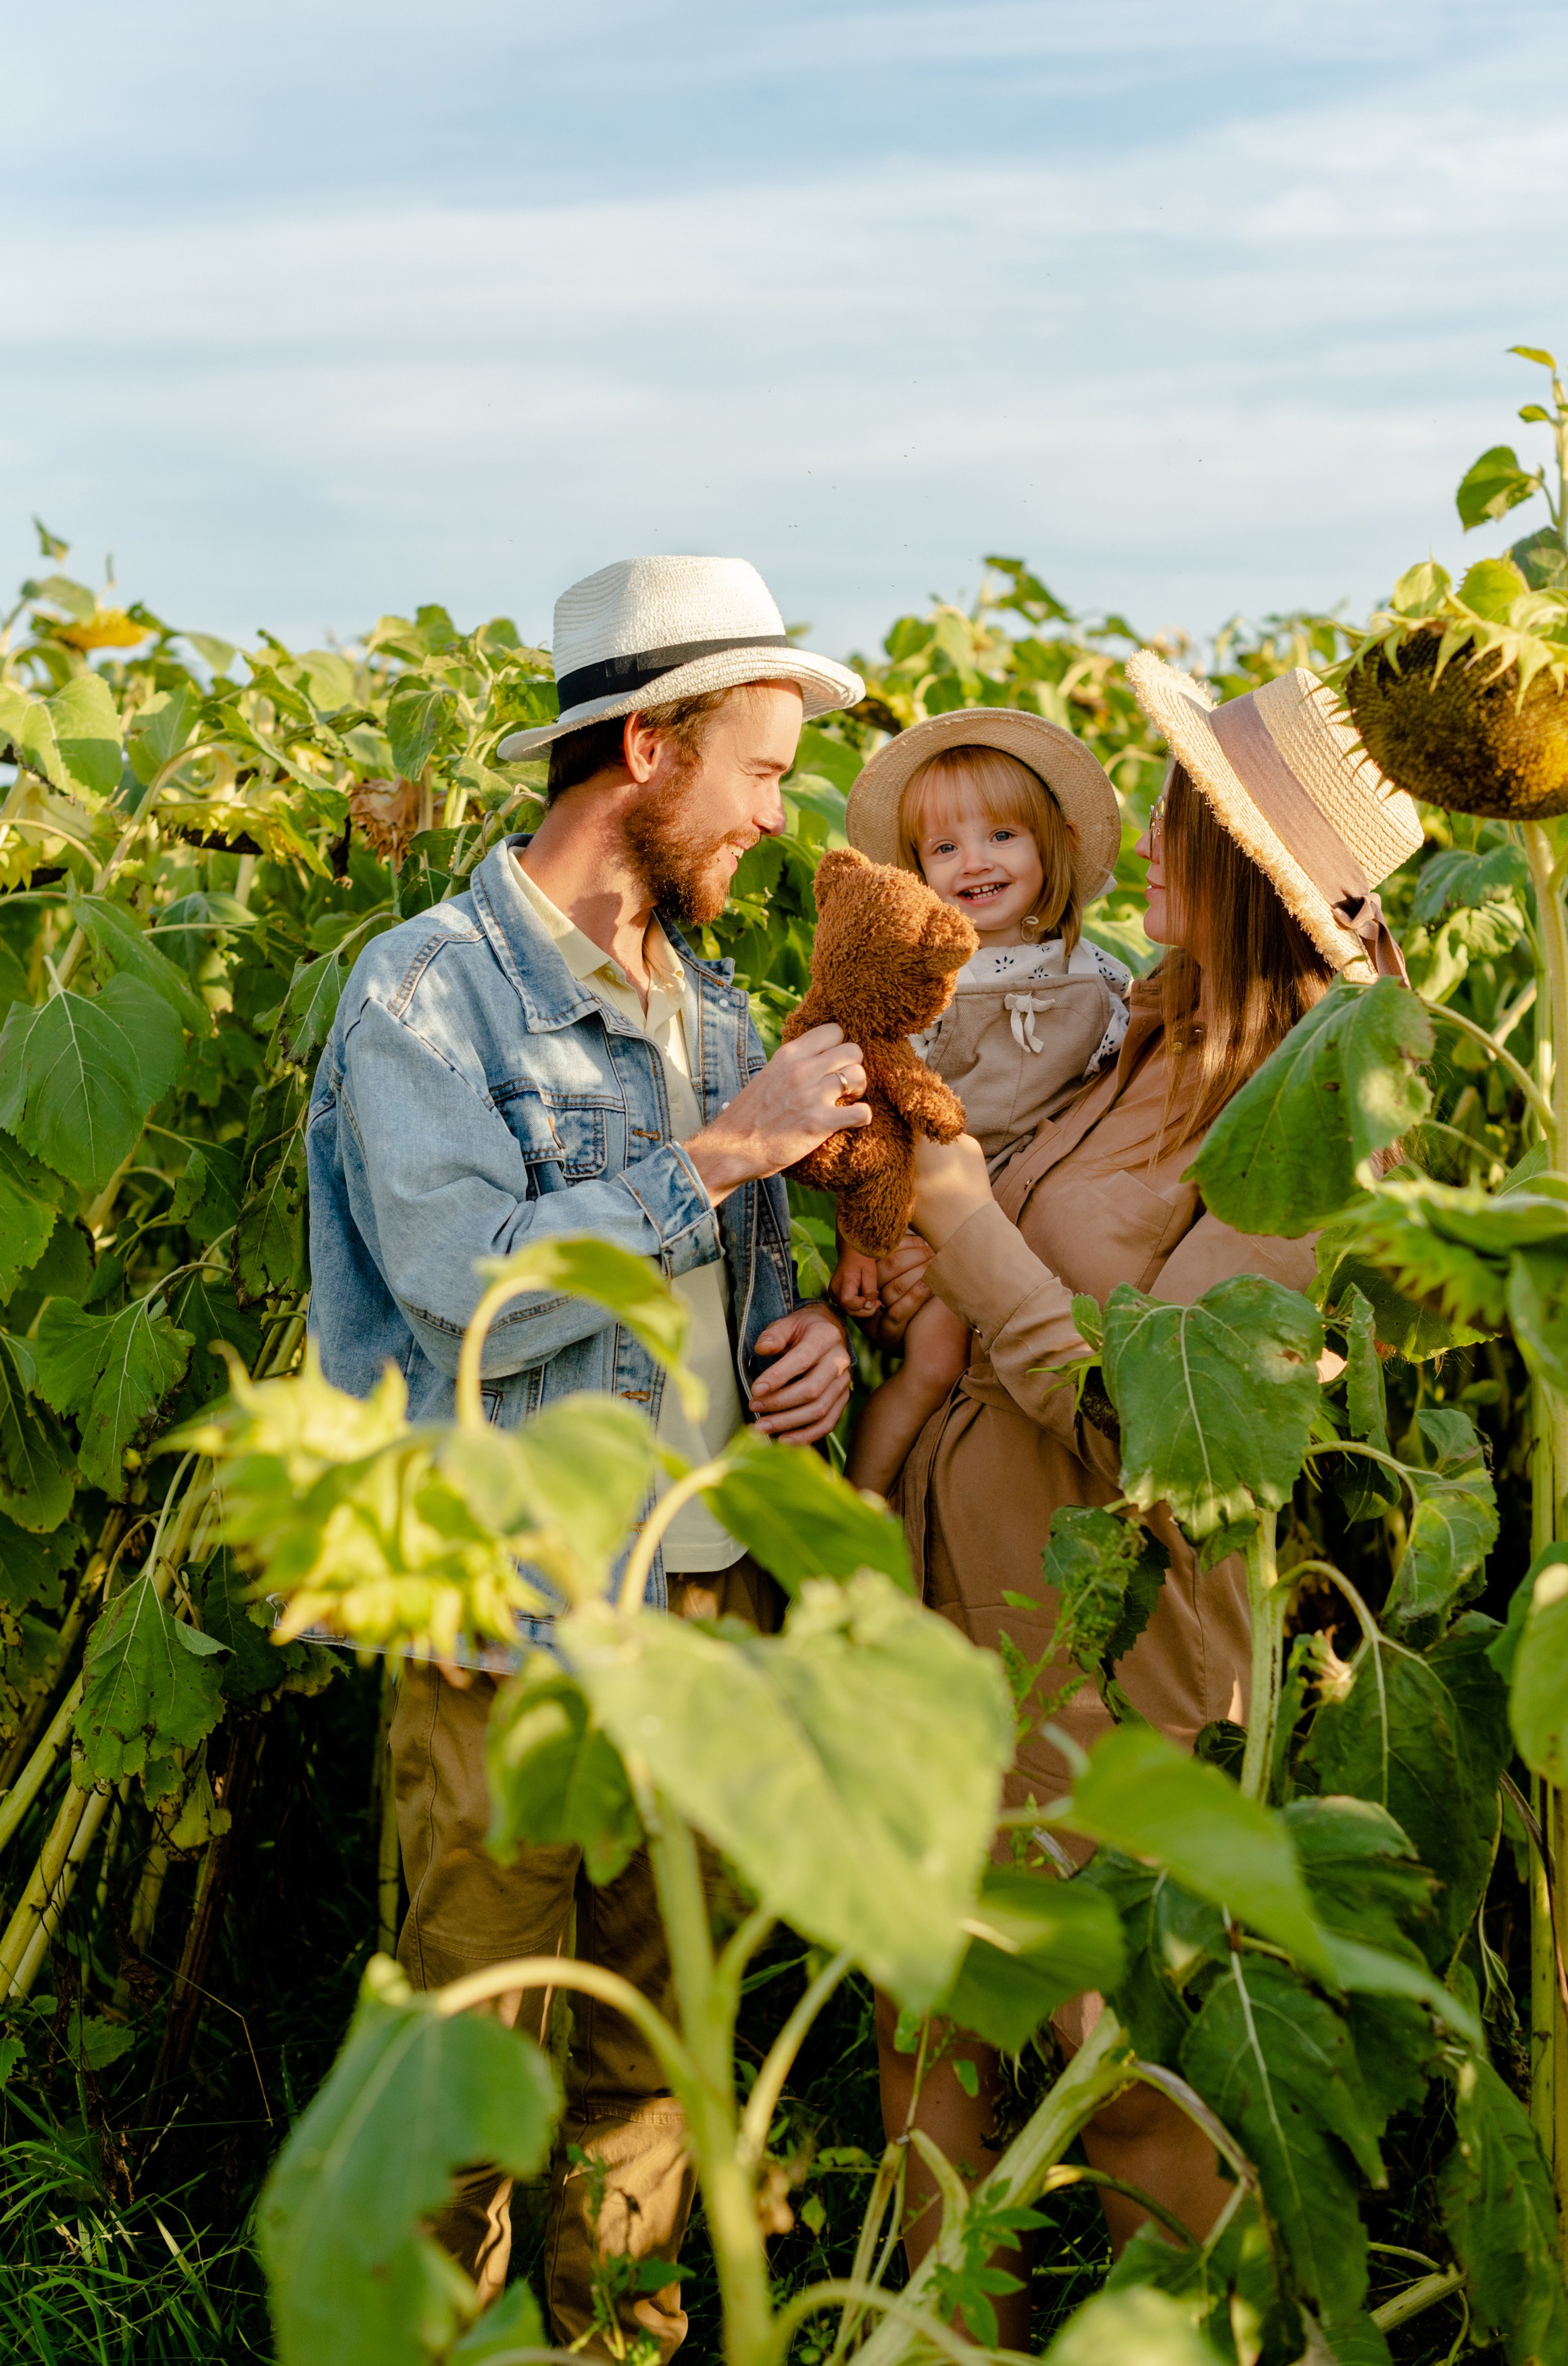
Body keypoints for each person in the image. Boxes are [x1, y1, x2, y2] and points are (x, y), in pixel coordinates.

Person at [306, 555, 873, 2359]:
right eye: (763, 775)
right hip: (506, 1623)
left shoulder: (704, 1006)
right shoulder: (427, 996)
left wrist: (809, 1344)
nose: (778, 824)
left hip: (697, 1605)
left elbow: (722, 1290)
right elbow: (459, 1285)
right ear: (648, 744)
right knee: (474, 2066)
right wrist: (720, 1162)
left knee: (647, 2060)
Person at [865, 655, 1423, 2338]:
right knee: (930, 2022)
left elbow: (1158, 1432)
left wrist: (958, 1214)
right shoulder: (1135, 1034)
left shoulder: (1318, 1118)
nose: (1151, 833)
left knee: (1114, 2063)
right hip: (958, 1606)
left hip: (1114, 1644)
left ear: (1253, 872)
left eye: (1188, 814)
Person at [826, 711, 1130, 1499]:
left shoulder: (1100, 978)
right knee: (932, 1364)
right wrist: (869, 1238)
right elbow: (878, 1105)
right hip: (939, 1212)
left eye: (1001, 835)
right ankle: (862, 1510)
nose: (975, 862)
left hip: (1038, 1217)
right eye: (945, 848)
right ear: (917, 871)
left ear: (1051, 841)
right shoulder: (925, 983)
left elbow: (1114, 1101)